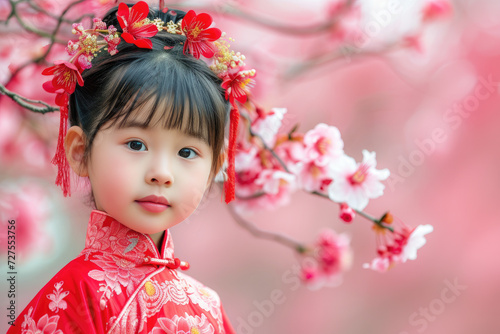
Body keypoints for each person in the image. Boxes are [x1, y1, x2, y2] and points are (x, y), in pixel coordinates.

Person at [7, 2, 252, 333]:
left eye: (187, 151)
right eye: (136, 144)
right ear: (80, 152)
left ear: (215, 167)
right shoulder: (77, 294)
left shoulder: (207, 305)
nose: (161, 173)